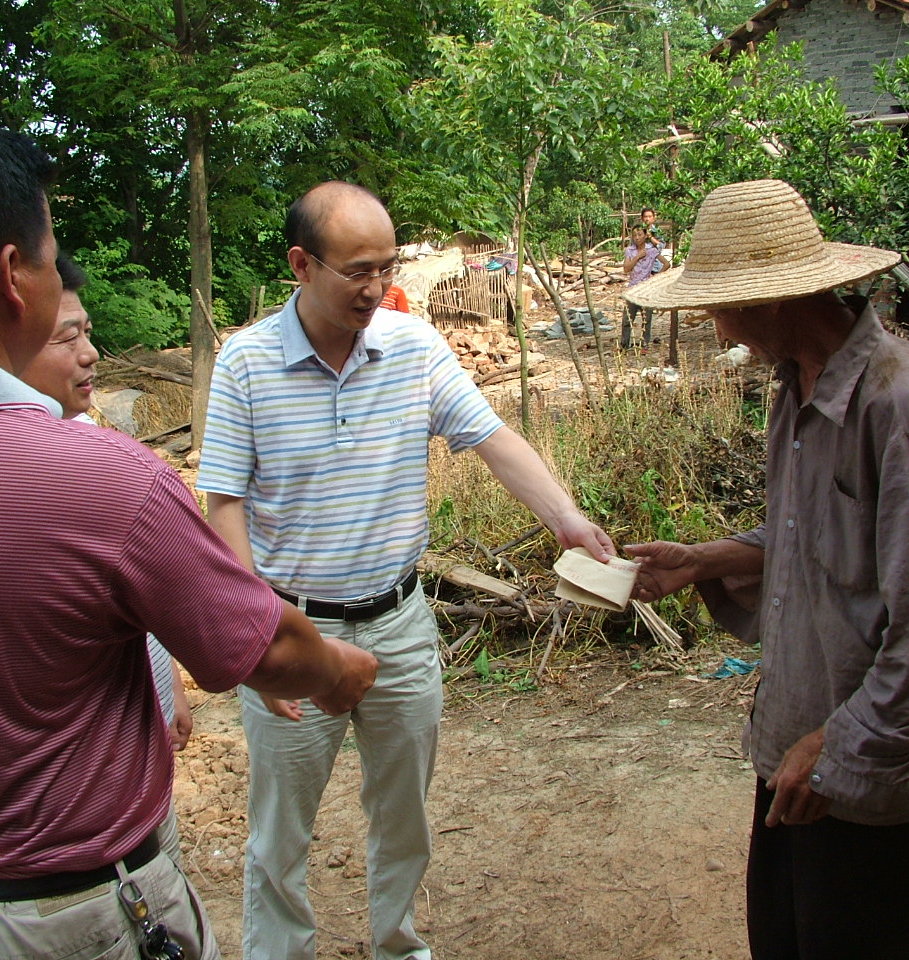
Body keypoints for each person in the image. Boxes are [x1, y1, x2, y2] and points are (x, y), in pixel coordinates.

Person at [0, 116, 377, 960]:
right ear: (13, 275)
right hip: (80, 918)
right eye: (49, 251)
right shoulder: (104, 478)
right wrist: (338, 670)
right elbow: (266, 650)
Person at [198, 180, 615, 960]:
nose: (376, 287)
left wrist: (565, 517)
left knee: (404, 817)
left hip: (400, 624)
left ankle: (399, 946)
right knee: (280, 832)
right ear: (301, 264)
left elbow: (493, 439)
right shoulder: (247, 363)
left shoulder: (414, 346)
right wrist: (258, 639)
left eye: (386, 268)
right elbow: (225, 504)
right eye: (357, 270)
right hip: (296, 628)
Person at [623, 179, 909, 959]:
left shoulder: (899, 402)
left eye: (720, 308)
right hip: (803, 722)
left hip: (864, 742)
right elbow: (810, 537)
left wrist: (846, 742)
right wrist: (702, 562)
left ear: (769, 302)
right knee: (787, 936)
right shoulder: (796, 386)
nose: (718, 325)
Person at [21, 251, 193, 865]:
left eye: (87, 332)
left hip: (135, 775)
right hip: (69, 825)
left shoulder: (94, 444)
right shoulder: (43, 477)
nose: (91, 353)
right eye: (67, 338)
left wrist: (167, 685)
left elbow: (136, 604)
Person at [620, 224, 667, 349]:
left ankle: (644, 345)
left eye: (640, 234)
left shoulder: (651, 250)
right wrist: (637, 257)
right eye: (634, 235)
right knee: (627, 319)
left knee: (646, 319)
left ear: (645, 235)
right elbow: (626, 269)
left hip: (646, 289)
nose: (637, 238)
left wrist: (655, 278)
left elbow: (666, 264)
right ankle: (624, 345)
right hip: (633, 288)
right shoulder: (630, 250)